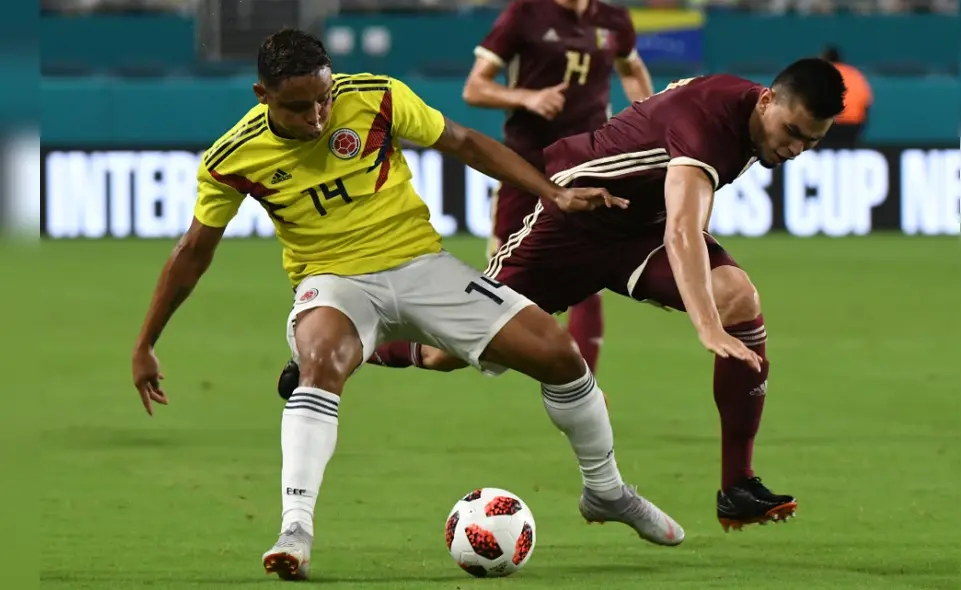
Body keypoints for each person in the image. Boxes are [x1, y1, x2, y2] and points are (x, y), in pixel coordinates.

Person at [129, 29, 683, 583]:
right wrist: (147, 341)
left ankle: (606, 491)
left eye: (324, 99)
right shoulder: (232, 156)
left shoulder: (377, 97)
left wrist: (553, 193)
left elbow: (463, 142)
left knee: (559, 354)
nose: (318, 117)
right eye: (299, 107)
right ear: (261, 94)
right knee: (321, 363)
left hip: (423, 267)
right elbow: (193, 252)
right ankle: (294, 531)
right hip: (334, 280)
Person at [296, 58, 847, 532]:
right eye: (793, 132)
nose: (795, 149)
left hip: (635, 228)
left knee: (738, 297)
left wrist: (715, 312)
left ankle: (738, 487)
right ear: (769, 99)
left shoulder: (751, 117)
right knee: (448, 354)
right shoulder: (710, 127)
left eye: (810, 142)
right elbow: (684, 231)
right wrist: (705, 327)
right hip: (570, 216)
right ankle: (354, 346)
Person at [459, 0, 654, 372]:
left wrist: (645, 113)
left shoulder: (613, 19)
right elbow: (474, 88)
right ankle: (440, 348)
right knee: (502, 289)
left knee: (587, 277)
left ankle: (585, 389)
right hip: (526, 166)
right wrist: (526, 97)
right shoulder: (525, 13)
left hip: (588, 164)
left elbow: (631, 67)